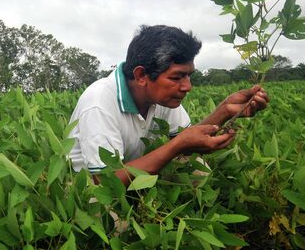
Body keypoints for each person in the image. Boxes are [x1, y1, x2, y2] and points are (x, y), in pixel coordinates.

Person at [68, 25, 269, 185]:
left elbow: (187, 138)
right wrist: (177, 146)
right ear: (141, 75)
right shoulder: (99, 102)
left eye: (189, 75)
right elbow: (106, 182)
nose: (187, 87)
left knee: (195, 167)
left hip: (136, 172)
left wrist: (225, 109)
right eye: (177, 77)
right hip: (91, 186)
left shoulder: (161, 96)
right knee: (115, 221)